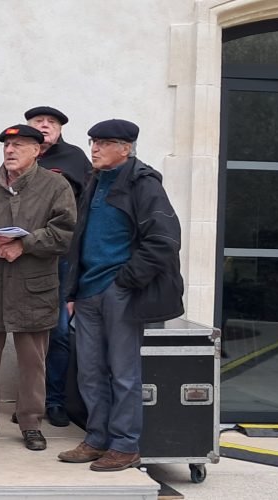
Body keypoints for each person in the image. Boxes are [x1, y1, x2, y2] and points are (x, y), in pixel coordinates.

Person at [59, 119, 184, 472]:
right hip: (87, 293)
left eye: (104, 142)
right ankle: (97, 439)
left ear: (125, 148)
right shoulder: (95, 181)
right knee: (89, 372)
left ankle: (126, 446)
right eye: (93, 141)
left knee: (125, 374)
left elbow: (164, 241)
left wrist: (125, 281)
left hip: (120, 293)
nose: (94, 148)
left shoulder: (144, 185)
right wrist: (74, 289)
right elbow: (81, 239)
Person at [0, 125, 76, 452]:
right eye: (7, 145)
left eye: (19, 145)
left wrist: (24, 244)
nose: (10, 151)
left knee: (33, 361)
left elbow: (65, 232)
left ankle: (30, 424)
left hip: (34, 289)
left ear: (37, 151)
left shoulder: (56, 185)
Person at [25, 105, 93, 427]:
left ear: (61, 129)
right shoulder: (21, 155)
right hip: (25, 257)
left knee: (59, 333)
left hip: (62, 260)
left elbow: (87, 206)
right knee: (28, 333)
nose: (45, 125)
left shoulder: (75, 158)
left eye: (51, 122)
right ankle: (29, 402)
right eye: (38, 122)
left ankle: (54, 401)